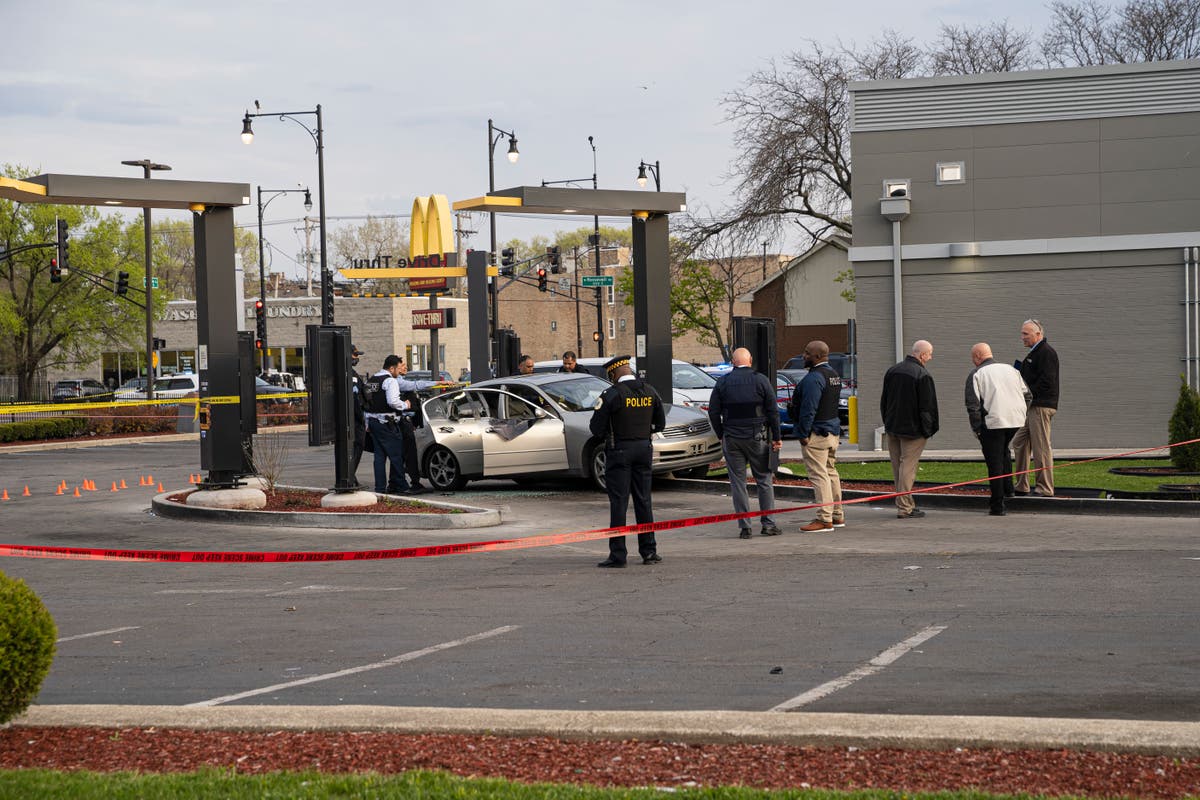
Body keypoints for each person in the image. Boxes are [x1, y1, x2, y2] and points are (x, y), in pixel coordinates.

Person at [589, 354, 666, 567]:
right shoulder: (650, 391)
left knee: (619, 503)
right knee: (644, 501)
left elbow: (596, 428)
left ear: (613, 373)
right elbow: (660, 423)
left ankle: (618, 555)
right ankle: (649, 552)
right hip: (644, 449)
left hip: (619, 451)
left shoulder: (611, 394)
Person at [708, 347, 782, 539]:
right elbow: (773, 411)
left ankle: (745, 527)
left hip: (732, 438)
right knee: (764, 480)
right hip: (757, 437)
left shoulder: (722, 382)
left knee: (738, 483)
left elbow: (713, 411)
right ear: (750, 361)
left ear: (733, 362)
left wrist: (720, 433)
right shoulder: (760, 380)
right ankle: (768, 524)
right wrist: (777, 437)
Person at [965, 343, 1032, 517]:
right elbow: (1028, 395)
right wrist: (1021, 411)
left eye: (973, 357)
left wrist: (977, 429)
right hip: (1015, 420)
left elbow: (973, 405)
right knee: (1003, 453)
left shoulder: (977, 374)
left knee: (994, 461)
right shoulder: (1012, 370)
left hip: (993, 422)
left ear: (978, 356)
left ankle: (997, 505)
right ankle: (1009, 490)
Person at [880, 340, 939, 519]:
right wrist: (928, 429)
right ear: (922, 355)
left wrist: (887, 422)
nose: (931, 357)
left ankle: (903, 503)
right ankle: (905, 506)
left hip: (893, 426)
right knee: (908, 467)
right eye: (930, 353)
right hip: (913, 430)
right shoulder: (922, 374)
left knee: (898, 466)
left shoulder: (893, 370)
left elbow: (884, 401)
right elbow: (927, 407)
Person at [791, 340, 845, 533]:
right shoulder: (833, 375)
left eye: (807, 353)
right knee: (831, 473)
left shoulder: (814, 378)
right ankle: (837, 515)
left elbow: (809, 408)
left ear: (817, 356)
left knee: (819, 475)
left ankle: (824, 518)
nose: (803, 356)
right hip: (832, 431)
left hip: (817, 433)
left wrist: (803, 433)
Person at [1011, 319, 1060, 497]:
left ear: (1038, 334)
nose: (1022, 337)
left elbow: (1047, 382)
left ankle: (1045, 488)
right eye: (1022, 333)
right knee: (1019, 442)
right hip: (1032, 407)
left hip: (1040, 406)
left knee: (1041, 447)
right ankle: (1022, 485)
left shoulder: (1045, 353)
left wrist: (1027, 394)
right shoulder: (1035, 353)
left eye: (1026, 334)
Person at [363, 354, 423, 496]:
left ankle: (380, 488)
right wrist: (405, 404)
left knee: (379, 457)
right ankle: (401, 486)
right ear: (392, 368)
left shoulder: (372, 380)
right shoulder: (390, 381)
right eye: (398, 368)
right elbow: (393, 402)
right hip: (387, 423)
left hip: (373, 422)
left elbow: (365, 403)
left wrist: (367, 423)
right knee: (396, 455)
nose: (400, 371)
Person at [349, 344, 367, 482]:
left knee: (357, 447)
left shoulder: (352, 373)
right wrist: (361, 419)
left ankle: (351, 476)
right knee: (356, 446)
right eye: (355, 355)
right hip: (354, 418)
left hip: (355, 417)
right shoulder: (349, 375)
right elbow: (355, 398)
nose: (357, 358)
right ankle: (349, 476)